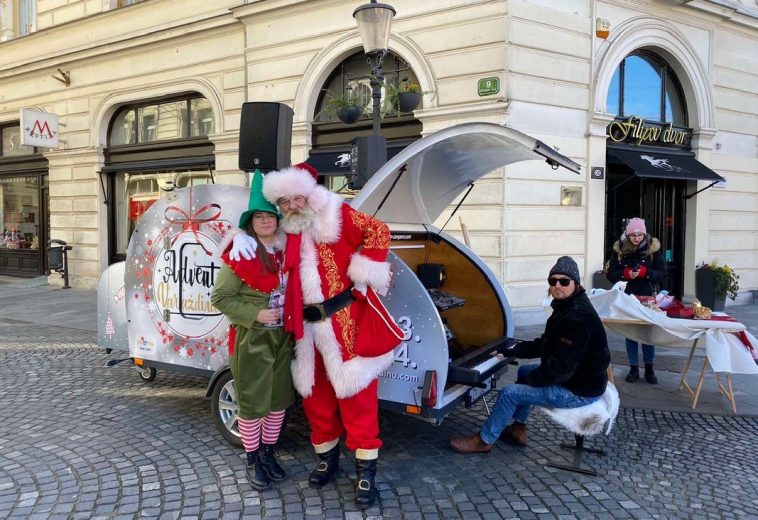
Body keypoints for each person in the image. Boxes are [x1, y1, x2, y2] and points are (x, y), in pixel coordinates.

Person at [232, 162, 402, 508]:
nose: (293, 206)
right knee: (316, 399)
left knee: (357, 399)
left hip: (344, 322)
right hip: (304, 329)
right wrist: (236, 238)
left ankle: (366, 471)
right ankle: (328, 456)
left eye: (297, 198)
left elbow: (379, 231)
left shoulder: (336, 213)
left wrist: (363, 270)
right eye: (285, 202)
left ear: (309, 194)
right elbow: (256, 234)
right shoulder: (283, 230)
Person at [449, 256, 610, 453]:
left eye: (564, 281)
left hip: (578, 391)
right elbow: (545, 344)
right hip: (578, 380)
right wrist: (512, 350)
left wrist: (533, 380)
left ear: (576, 283)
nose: (557, 286)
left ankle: (484, 440)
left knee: (510, 393)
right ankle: (518, 428)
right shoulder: (567, 307)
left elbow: (560, 370)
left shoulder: (577, 318)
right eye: (553, 281)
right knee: (525, 371)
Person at [210, 170, 295, 491]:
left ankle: (268, 452)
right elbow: (220, 297)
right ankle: (253, 457)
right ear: (251, 220)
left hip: (283, 338)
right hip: (252, 339)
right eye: (259, 216)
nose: (265, 221)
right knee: (252, 403)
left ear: (277, 219)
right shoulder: (241, 252)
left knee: (277, 401)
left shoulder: (286, 250)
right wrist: (255, 313)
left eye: (270, 215)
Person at [606, 217, 665, 384]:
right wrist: (626, 275)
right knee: (631, 334)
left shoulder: (653, 251)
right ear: (628, 234)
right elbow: (611, 274)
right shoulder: (620, 251)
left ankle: (649, 369)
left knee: (647, 334)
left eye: (639, 235)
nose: (636, 238)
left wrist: (646, 273)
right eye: (633, 235)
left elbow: (662, 274)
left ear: (644, 234)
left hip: (647, 298)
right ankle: (633, 368)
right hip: (628, 298)